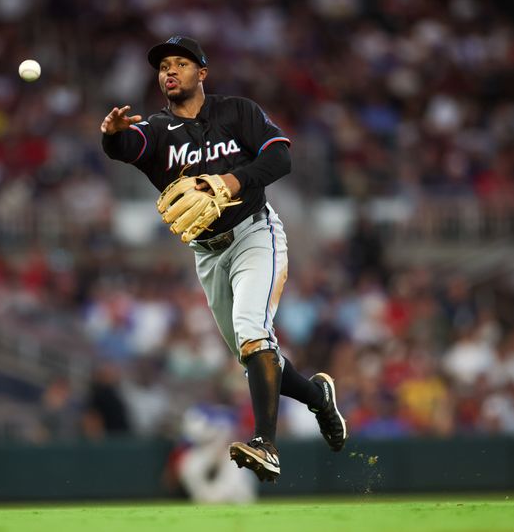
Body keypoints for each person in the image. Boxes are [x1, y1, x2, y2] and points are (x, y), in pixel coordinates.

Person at [100, 36, 347, 482]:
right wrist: (111, 135)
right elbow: (126, 147)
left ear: (202, 73)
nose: (169, 71)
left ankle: (266, 444)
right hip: (208, 255)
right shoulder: (157, 130)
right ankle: (316, 397)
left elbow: (280, 157)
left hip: (254, 232)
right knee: (254, 353)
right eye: (163, 66)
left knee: (254, 334)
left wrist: (232, 182)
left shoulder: (238, 112)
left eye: (180, 63)